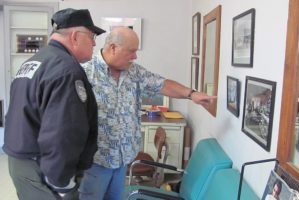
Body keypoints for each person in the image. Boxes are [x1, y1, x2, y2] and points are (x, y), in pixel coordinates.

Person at [78, 27, 216, 200]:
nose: (135, 56)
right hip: (95, 160)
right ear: (113, 48)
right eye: (132, 51)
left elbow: (162, 84)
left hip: (123, 158)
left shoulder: (134, 72)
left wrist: (192, 94)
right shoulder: (84, 73)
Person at [2, 8, 105, 200]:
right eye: (91, 36)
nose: (94, 42)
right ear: (75, 36)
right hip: (45, 170)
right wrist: (62, 183)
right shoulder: (66, 70)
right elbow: (63, 132)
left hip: (21, 163)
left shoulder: (34, 62)